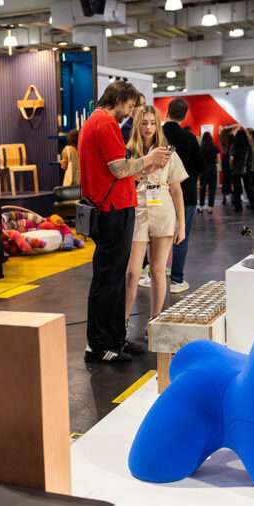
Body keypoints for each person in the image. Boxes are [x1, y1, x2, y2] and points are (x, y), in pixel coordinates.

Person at [80, 81, 171, 363]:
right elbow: (118, 169)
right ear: (119, 99)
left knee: (114, 278)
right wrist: (148, 160)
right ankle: (100, 345)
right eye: (130, 106)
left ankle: (115, 339)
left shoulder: (94, 122)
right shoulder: (105, 123)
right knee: (109, 279)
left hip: (112, 207)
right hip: (113, 209)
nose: (130, 113)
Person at [124, 106, 187, 325]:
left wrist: (182, 225)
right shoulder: (128, 152)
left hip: (163, 213)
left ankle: (155, 322)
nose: (148, 127)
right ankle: (121, 323)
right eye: (144, 122)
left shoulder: (168, 153)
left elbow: (177, 190)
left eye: (152, 122)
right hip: (137, 211)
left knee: (158, 270)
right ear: (137, 124)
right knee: (132, 273)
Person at [161, 98, 201, 293]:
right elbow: (200, 166)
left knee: (157, 235)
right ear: (184, 115)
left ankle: (153, 274)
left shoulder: (157, 136)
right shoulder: (190, 138)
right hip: (187, 192)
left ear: (167, 111)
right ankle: (177, 280)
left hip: (160, 192)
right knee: (181, 235)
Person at [229, 128, 252, 213]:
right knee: (248, 187)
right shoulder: (248, 146)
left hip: (236, 169)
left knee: (237, 189)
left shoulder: (234, 145)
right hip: (246, 168)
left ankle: (238, 207)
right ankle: (253, 204)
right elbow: (250, 158)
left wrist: (231, 167)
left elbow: (231, 158)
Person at [198, 132, 220, 213]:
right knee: (212, 189)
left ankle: (201, 206)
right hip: (212, 169)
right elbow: (217, 160)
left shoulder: (200, 148)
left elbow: (198, 160)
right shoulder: (215, 148)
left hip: (203, 170)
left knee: (202, 188)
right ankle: (210, 207)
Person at [219, 127, 233, 205]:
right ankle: (232, 197)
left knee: (225, 178)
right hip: (229, 159)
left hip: (224, 159)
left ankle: (224, 197)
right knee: (231, 178)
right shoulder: (231, 138)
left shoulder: (221, 138)